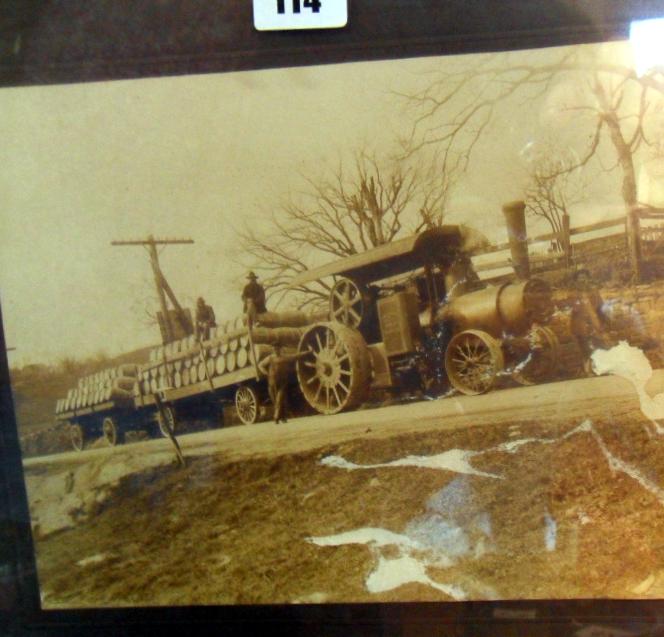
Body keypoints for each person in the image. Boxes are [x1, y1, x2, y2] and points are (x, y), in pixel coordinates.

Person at [257, 345, 308, 424]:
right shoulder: (270, 358)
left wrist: (308, 352)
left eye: (277, 349)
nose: (276, 351)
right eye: (275, 349)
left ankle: (276, 418)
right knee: (276, 401)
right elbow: (260, 365)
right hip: (272, 383)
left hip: (282, 383)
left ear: (280, 349)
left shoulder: (284, 357)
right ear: (273, 350)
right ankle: (283, 418)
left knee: (279, 400)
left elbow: (296, 356)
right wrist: (266, 373)